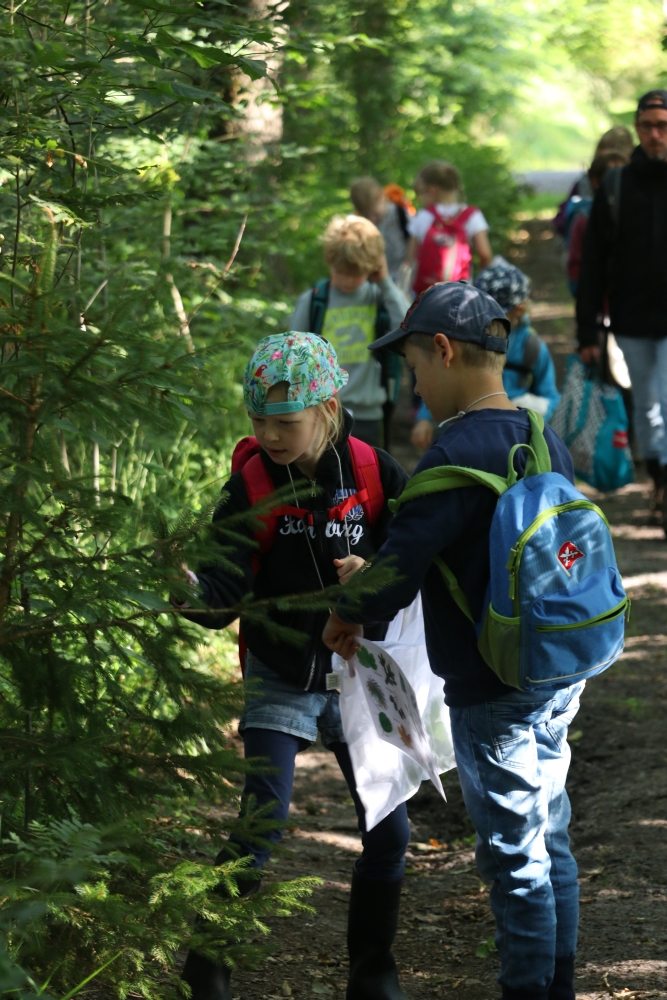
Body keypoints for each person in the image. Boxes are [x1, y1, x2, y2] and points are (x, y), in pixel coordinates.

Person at [323, 282, 582, 1000]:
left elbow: (393, 578)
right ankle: (556, 983)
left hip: (489, 687)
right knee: (548, 834)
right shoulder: (539, 435)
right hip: (554, 673)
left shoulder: (448, 459)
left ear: (441, 350)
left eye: (412, 369)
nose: (412, 387)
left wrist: (345, 609)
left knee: (513, 855)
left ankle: (529, 991)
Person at [179, 332, 411, 1000]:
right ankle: (206, 970)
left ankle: (373, 972)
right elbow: (219, 591)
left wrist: (379, 575)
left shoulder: (370, 469)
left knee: (388, 829)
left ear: (327, 408)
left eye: (284, 422)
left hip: (359, 674)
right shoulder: (251, 481)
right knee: (262, 821)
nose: (269, 435)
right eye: (258, 420)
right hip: (280, 668)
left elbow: (414, 544)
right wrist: (188, 590)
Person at [577, 90, 667, 530]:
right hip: (630, 322)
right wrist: (587, 334)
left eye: (663, 126)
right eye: (648, 125)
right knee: (648, 408)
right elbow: (593, 265)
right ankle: (660, 482)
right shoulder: (617, 185)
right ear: (637, 127)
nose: (655, 134)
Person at [290, 214, 410, 449]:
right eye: (341, 271)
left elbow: (408, 326)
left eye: (356, 274)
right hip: (321, 414)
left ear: (372, 267)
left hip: (369, 415)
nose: (347, 280)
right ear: (330, 261)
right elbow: (293, 356)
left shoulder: (378, 296)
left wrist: (385, 281)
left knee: (367, 480)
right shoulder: (314, 301)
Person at [410, 263, 560, 449]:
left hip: (513, 437)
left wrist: (526, 412)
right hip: (462, 429)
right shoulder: (468, 337)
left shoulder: (533, 347)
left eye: (496, 312)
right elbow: (444, 375)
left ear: (518, 310)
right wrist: (424, 418)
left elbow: (550, 396)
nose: (484, 317)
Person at [405, 160, 493, 294]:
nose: (420, 200)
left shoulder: (423, 216)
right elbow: (485, 255)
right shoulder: (472, 216)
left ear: (432, 191)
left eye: (420, 194)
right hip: (460, 294)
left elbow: (410, 260)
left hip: (424, 295)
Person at [567, 151, 629, 296]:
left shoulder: (637, 215)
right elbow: (575, 266)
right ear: (595, 181)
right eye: (610, 178)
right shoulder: (584, 220)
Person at [350, 177, 414, 282]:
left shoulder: (400, 214)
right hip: (379, 282)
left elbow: (415, 242)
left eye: (374, 213)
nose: (371, 218)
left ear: (381, 197)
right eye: (366, 215)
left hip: (405, 278)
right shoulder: (360, 225)